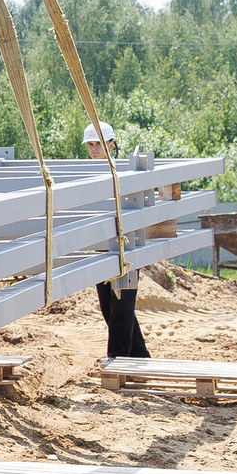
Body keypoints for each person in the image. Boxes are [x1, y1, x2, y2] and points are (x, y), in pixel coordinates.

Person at [84, 121, 151, 359]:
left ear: (111, 145)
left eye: (98, 144)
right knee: (109, 307)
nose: (94, 149)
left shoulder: (123, 172)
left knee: (122, 304)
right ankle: (140, 357)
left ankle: (118, 358)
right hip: (101, 248)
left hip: (126, 247)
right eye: (90, 145)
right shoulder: (83, 174)